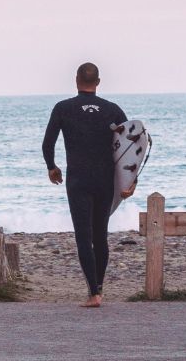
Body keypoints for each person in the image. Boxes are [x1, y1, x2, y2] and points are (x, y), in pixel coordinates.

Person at [42, 62, 135, 308]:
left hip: (78, 180)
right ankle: (100, 289)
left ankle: (93, 293)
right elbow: (131, 150)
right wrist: (130, 182)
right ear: (98, 81)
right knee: (100, 235)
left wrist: (52, 167)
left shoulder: (63, 108)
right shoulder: (112, 110)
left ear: (76, 80)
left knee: (84, 237)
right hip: (104, 180)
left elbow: (47, 143)